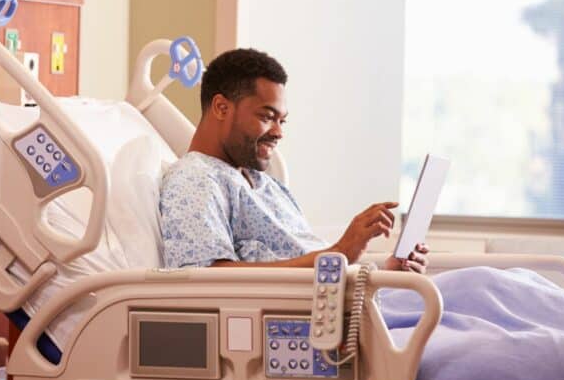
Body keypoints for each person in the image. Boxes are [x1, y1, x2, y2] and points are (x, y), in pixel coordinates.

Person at [159, 48, 428, 272]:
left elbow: (307, 257)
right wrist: (339, 253)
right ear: (221, 107)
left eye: (281, 120)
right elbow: (205, 278)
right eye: (267, 117)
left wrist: (387, 272)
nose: (278, 133)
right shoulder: (195, 179)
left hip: (352, 307)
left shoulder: (267, 185)